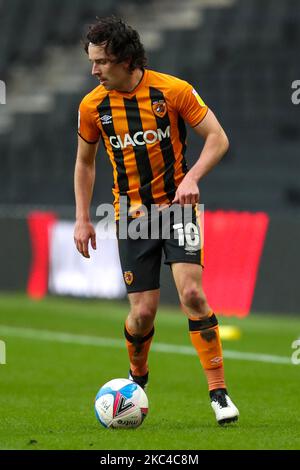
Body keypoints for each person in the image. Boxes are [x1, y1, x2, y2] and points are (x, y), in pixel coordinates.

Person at [74, 16, 239, 425]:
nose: (94, 71)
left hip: (177, 209)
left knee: (192, 296)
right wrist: (83, 218)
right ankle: (137, 380)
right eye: (91, 61)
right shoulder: (93, 106)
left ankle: (219, 393)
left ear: (126, 59)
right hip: (132, 217)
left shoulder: (173, 90)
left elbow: (218, 138)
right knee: (143, 314)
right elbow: (84, 163)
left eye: (102, 62)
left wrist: (193, 178)